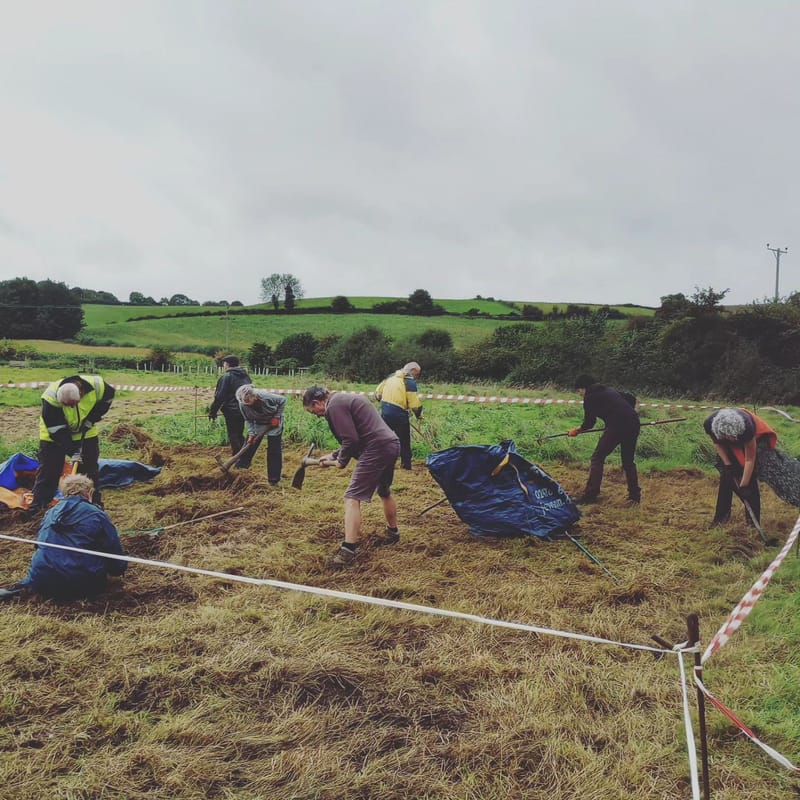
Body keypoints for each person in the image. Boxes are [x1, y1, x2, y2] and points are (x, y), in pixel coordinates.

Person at [302, 385, 401, 567]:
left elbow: (351, 439)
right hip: (390, 444)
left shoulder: (333, 406)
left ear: (317, 402)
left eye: (313, 411)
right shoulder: (345, 398)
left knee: (352, 497)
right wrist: (333, 455)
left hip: (376, 448)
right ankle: (393, 533)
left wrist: (341, 461)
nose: (317, 415)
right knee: (384, 490)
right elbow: (360, 433)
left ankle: (348, 552)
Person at [0, 475, 127, 601]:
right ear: (90, 492)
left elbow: (39, 544)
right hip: (83, 584)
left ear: (63, 493)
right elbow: (112, 547)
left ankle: (17, 589)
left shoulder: (50, 513)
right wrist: (118, 569)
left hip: (43, 582)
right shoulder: (96, 514)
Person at [31, 374, 115, 511]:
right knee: (49, 471)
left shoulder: (98, 386)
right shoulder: (50, 398)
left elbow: (108, 398)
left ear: (81, 393)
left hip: (86, 433)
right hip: (53, 436)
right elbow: (55, 428)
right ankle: (38, 506)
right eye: (66, 405)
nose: (70, 408)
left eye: (72, 405)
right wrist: (72, 450)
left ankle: (93, 504)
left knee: (89, 470)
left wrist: (91, 419)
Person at [569, 374, 641, 506]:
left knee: (597, 457)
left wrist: (577, 430)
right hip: (634, 423)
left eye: (579, 390)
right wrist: (625, 413)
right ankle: (635, 497)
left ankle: (590, 495)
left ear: (584, 388)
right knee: (628, 462)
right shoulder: (609, 390)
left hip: (617, 426)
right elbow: (631, 398)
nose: (579, 394)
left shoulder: (590, 397)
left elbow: (589, 423)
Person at [703, 407, 777, 527]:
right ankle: (721, 520)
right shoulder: (709, 424)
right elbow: (717, 443)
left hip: (754, 441)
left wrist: (743, 485)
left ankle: (752, 525)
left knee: (750, 482)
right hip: (726, 441)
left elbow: (749, 459)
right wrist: (728, 464)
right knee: (726, 478)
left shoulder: (747, 428)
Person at [375, 361, 423, 470]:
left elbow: (377, 393)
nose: (417, 377)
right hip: (399, 414)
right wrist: (419, 414)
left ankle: (379, 460)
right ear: (413, 371)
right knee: (404, 439)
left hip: (385, 411)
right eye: (417, 374)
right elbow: (414, 404)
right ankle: (406, 465)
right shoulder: (409, 382)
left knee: (384, 438)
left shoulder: (390, 377)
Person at [235, 385, 286, 484]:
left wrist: (276, 416)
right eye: (246, 404)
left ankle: (274, 480)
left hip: (273, 423)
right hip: (258, 423)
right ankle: (238, 471)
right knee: (249, 447)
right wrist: (251, 433)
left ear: (254, 397)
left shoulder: (265, 396)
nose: (248, 405)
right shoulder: (242, 404)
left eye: (250, 402)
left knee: (274, 450)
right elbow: (248, 419)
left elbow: (283, 400)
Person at [209, 355, 252, 468]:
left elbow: (220, 396)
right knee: (239, 433)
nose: (223, 366)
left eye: (224, 363)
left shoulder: (227, 377)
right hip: (245, 409)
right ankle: (244, 457)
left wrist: (213, 411)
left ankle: (237, 459)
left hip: (232, 410)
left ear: (227, 364)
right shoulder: (245, 376)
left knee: (233, 434)